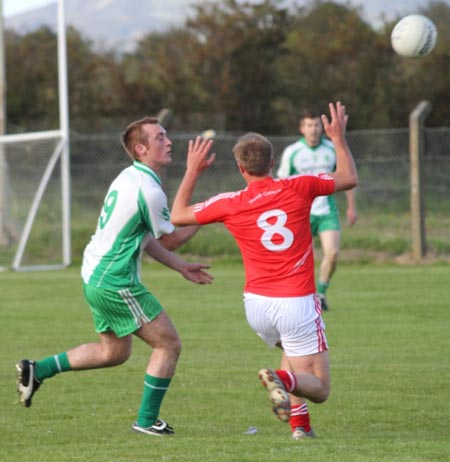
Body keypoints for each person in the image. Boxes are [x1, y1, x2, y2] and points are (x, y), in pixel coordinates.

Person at [170, 102, 358, 439]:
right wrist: (338, 139)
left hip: (256, 306)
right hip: (296, 304)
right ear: (273, 163)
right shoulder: (299, 186)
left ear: (241, 168)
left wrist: (193, 170)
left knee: (292, 351)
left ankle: (300, 428)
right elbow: (348, 178)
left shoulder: (230, 202)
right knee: (320, 386)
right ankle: (281, 380)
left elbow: (178, 214)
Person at [16, 116, 213, 437]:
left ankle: (37, 370)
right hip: (115, 281)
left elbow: (145, 237)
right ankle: (147, 421)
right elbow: (171, 237)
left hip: (95, 274)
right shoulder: (148, 189)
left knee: (114, 352)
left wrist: (179, 265)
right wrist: (210, 211)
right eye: (160, 137)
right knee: (169, 344)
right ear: (140, 148)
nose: (169, 142)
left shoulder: (130, 177)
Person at [277, 109, 357, 311]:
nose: (313, 129)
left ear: (322, 128)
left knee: (332, 254)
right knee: (294, 258)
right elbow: (281, 185)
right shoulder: (292, 152)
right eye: (309, 125)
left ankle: (320, 294)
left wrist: (351, 206)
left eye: (316, 125)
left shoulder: (332, 149)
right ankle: (294, 297)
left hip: (326, 211)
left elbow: (346, 177)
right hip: (300, 213)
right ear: (302, 128)